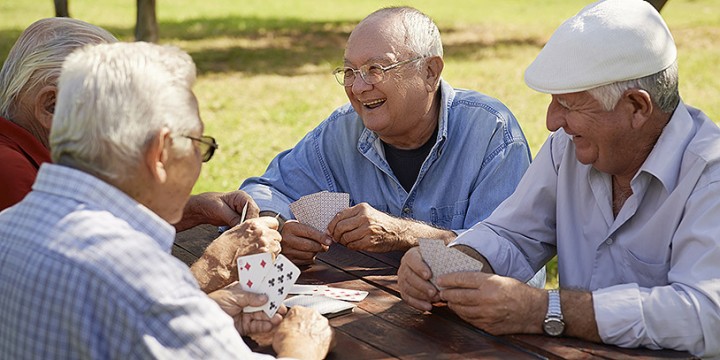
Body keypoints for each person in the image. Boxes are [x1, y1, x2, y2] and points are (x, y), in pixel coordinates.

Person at [397, 0, 720, 357]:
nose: (552, 121)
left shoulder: (710, 174)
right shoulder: (566, 149)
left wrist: (546, 310)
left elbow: (706, 314)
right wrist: (446, 263)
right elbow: (512, 234)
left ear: (636, 107)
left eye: (569, 105)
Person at [0, 41, 332, 359]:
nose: (200, 161)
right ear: (160, 152)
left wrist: (206, 313)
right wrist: (301, 345)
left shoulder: (9, 225)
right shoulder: (140, 274)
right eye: (199, 144)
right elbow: (139, 301)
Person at [241, 6, 544, 287]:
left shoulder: (490, 131)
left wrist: (406, 235)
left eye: (375, 69)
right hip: (366, 321)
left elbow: (512, 267)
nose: (358, 88)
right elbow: (264, 191)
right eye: (349, 72)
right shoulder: (341, 131)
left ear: (430, 72)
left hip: (461, 332)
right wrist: (279, 228)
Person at [0, 17, 271, 293]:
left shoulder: (37, 159)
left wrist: (190, 210)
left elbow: (98, 232)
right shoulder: (10, 171)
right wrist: (216, 265)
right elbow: (94, 301)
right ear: (52, 106)